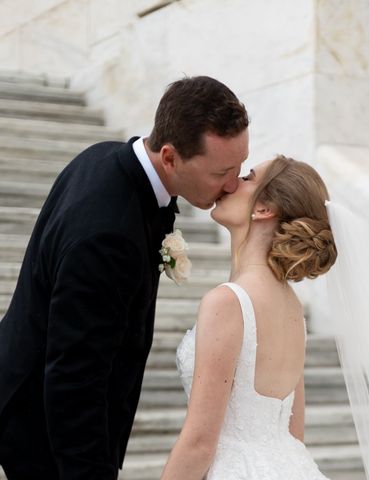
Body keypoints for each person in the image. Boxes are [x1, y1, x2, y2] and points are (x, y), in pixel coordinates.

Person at [0, 76, 249, 480]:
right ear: (170, 157)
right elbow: (73, 378)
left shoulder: (104, 156)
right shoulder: (108, 237)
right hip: (43, 430)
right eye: (223, 171)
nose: (234, 183)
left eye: (241, 166)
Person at [162, 155, 337, 479]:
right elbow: (293, 432)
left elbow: (200, 443)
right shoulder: (292, 308)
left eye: (247, 178)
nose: (231, 183)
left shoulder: (228, 302)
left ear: (264, 209)